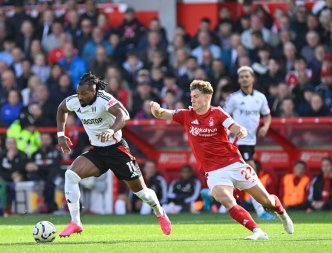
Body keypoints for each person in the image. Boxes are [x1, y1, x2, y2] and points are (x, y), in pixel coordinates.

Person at [150, 79, 293, 240]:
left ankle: (283, 214)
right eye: (191, 96)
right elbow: (164, 114)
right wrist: (157, 110)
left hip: (234, 164)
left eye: (196, 96)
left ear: (207, 97)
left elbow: (233, 125)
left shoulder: (217, 113)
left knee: (266, 201)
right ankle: (257, 231)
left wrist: (240, 130)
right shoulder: (186, 115)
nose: (193, 100)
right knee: (225, 199)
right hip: (213, 172)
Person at [56, 72, 171, 237]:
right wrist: (61, 135)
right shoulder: (75, 101)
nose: (79, 97)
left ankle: (160, 213)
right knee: (71, 175)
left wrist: (111, 130)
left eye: (84, 94)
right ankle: (76, 222)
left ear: (93, 92)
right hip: (97, 151)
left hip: (117, 150)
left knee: (142, 193)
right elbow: (61, 109)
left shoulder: (104, 100)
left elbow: (124, 115)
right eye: (78, 93)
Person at [224, 66, 274, 220]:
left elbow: (267, 115)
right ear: (239, 80)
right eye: (242, 77)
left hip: (251, 141)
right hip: (239, 141)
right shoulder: (234, 98)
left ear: (253, 78)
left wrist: (265, 126)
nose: (244, 79)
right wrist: (229, 130)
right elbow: (224, 116)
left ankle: (215, 194)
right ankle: (260, 210)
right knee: (250, 172)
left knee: (242, 174)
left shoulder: (260, 97)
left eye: (247, 76)